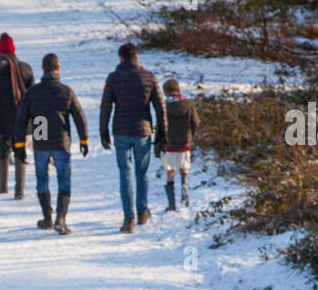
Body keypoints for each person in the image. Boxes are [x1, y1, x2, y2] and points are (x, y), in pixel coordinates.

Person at [14, 53, 89, 235]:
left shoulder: (33, 92)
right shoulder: (66, 91)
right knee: (64, 180)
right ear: (58, 68)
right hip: (61, 140)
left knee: (42, 180)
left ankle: (47, 218)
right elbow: (79, 117)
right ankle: (60, 219)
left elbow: (21, 120)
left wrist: (19, 146)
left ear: (43, 68)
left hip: (41, 139)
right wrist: (83, 140)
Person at [99, 43, 167, 233]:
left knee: (125, 174)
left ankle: (128, 218)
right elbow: (160, 108)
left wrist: (103, 130)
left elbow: (106, 106)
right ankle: (143, 212)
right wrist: (163, 133)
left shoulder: (113, 78)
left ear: (121, 58)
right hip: (143, 131)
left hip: (121, 131)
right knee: (142, 173)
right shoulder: (149, 77)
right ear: (136, 57)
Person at [0, 33, 34, 198]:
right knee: (20, 151)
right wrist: (38, 126)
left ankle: (3, 187)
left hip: (2, 120)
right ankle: (19, 190)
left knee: (3, 151)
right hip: (22, 119)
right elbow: (33, 98)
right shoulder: (25, 68)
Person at [158, 78, 199, 211]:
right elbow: (196, 122)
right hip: (184, 143)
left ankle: (171, 205)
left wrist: (159, 143)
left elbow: (159, 125)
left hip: (169, 145)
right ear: (179, 90)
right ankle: (184, 186)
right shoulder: (188, 105)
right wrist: (190, 135)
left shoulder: (164, 106)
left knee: (170, 171)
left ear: (165, 92)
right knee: (183, 167)